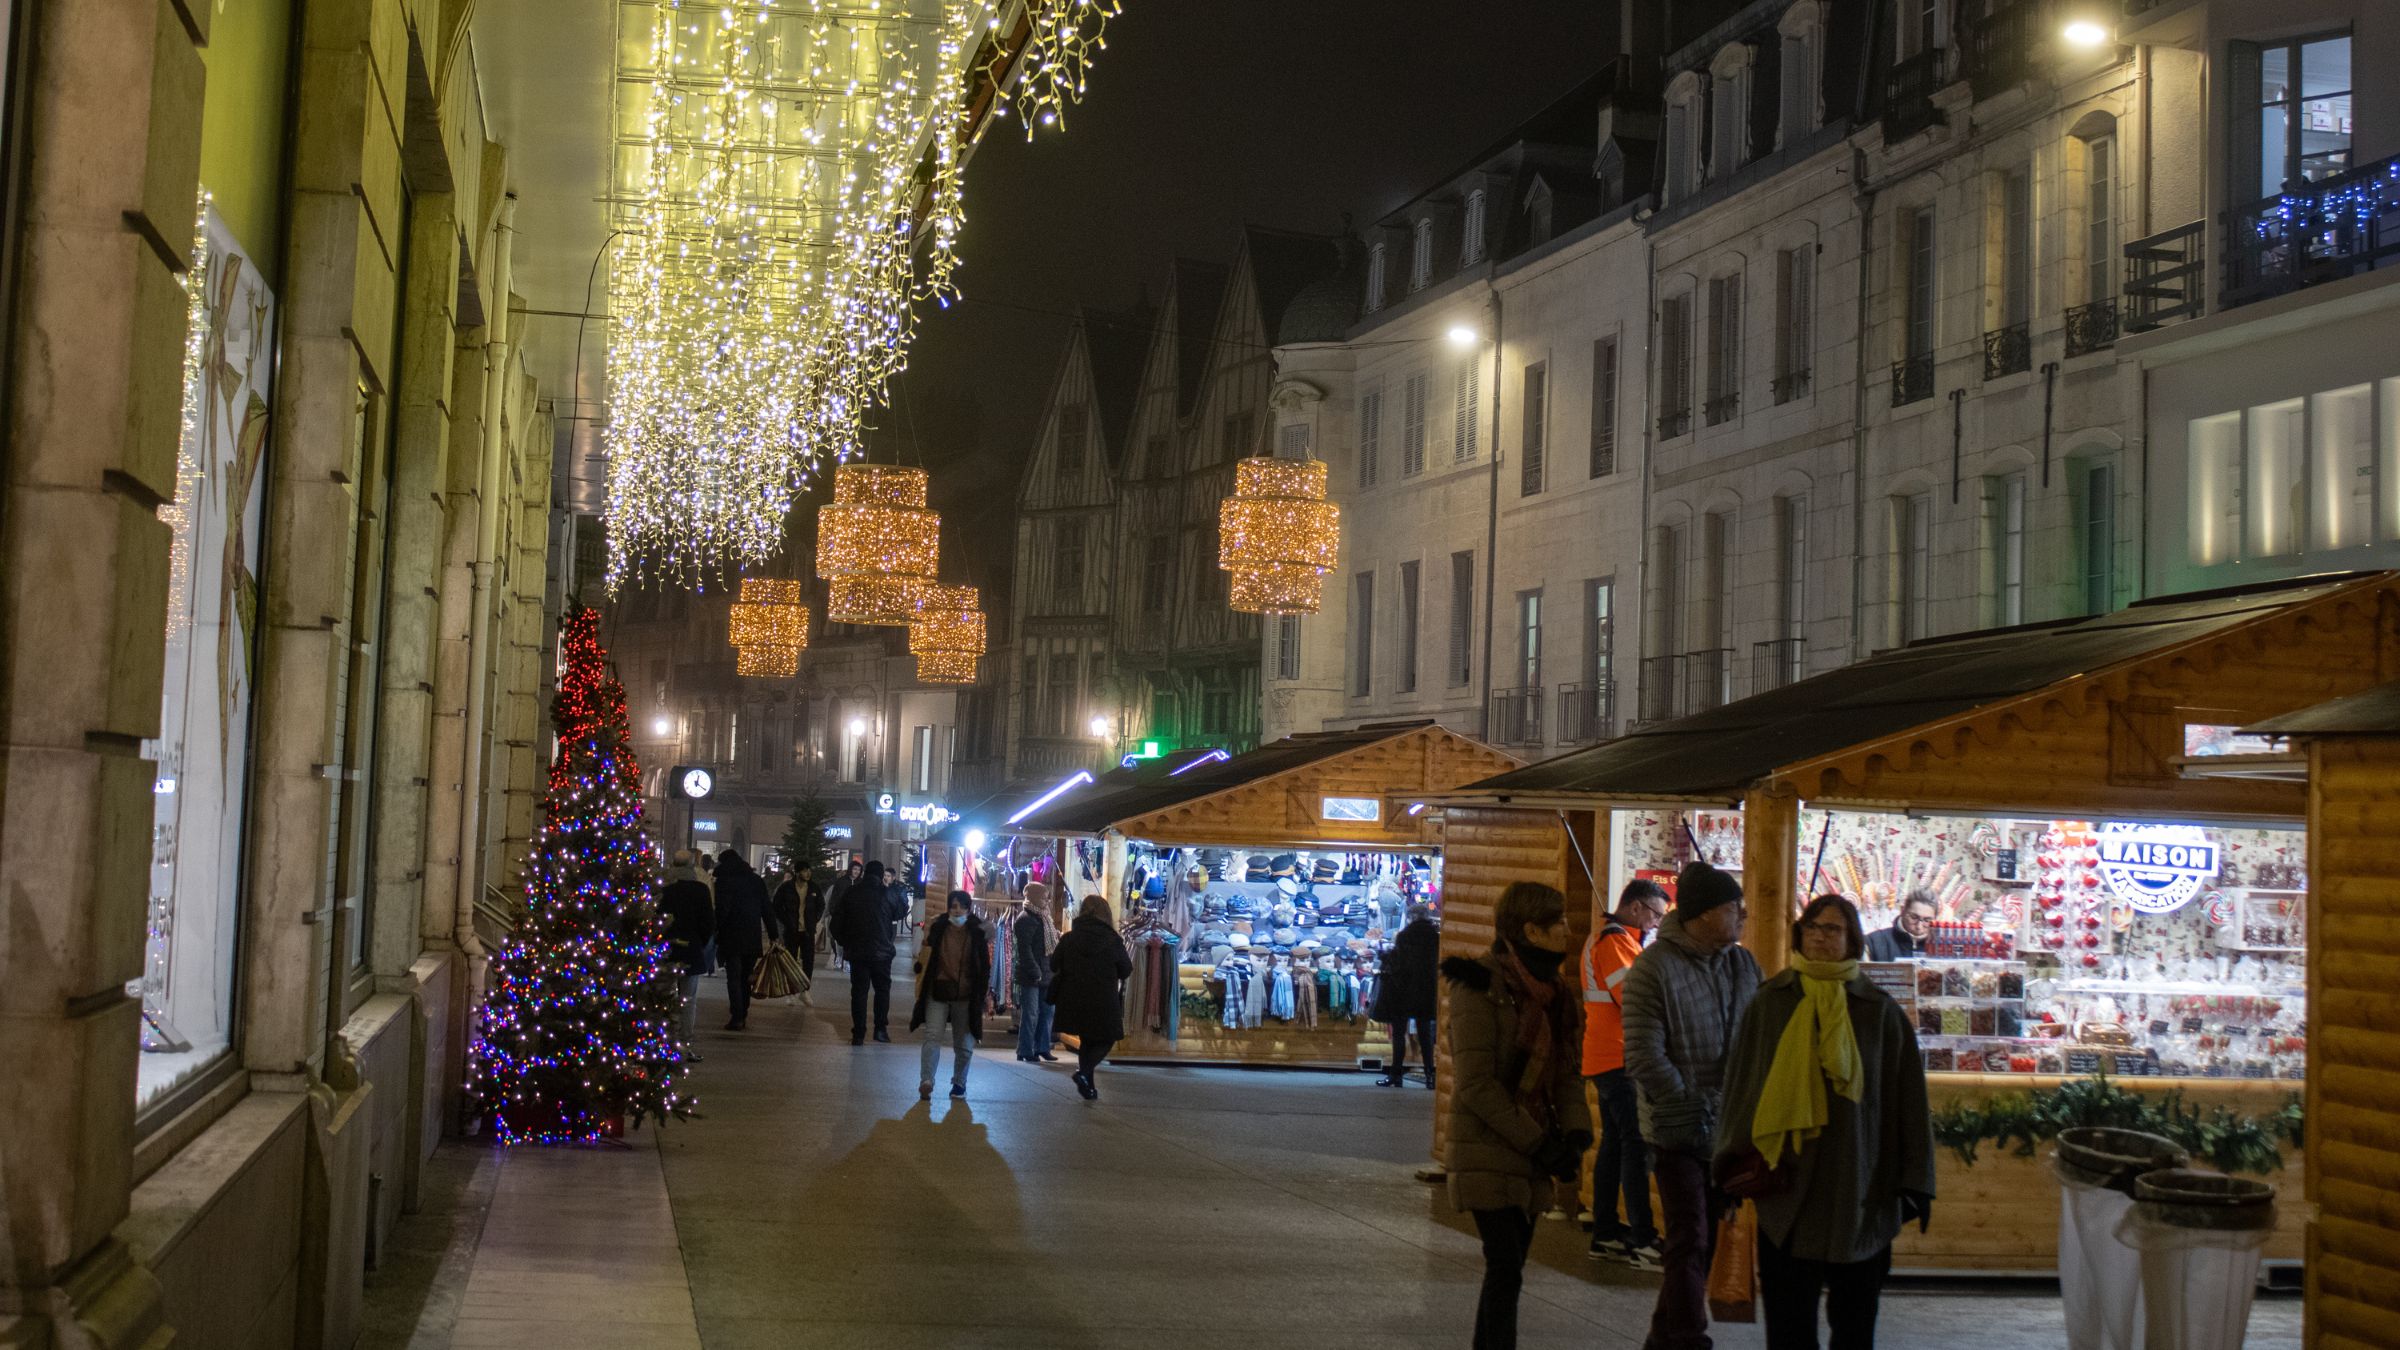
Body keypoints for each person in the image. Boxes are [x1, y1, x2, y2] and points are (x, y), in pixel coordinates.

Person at [1715, 895, 1934, 1350]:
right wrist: (1725, 1164)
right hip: (1788, 1190)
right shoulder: (1771, 1002)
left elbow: (1907, 1103)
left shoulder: (1880, 1012)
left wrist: (1914, 1180)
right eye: (1812, 926)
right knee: (1789, 1326)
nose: (1819, 935)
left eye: (1832, 929)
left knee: (1855, 1326)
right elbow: (1742, 1086)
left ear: (1852, 939)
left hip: (1860, 1188)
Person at [1438, 881, 1592, 1350]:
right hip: (1485, 1146)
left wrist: (1576, 1133)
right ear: (1531, 930)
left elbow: (1564, 1072)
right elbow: (1476, 1085)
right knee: (1505, 1266)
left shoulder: (1557, 994)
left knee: (1509, 1272)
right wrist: (1539, 1143)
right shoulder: (1479, 987)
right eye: (1559, 923)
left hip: (1530, 1151)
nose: (1569, 930)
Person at [1620, 860, 1763, 1350]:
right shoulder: (1653, 968)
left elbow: (1761, 1040)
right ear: (1702, 915)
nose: (1742, 916)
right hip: (1676, 1129)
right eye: (1732, 908)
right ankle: (1687, 1339)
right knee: (1689, 1238)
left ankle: (1663, 1337)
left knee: (1702, 1244)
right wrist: (1689, 1103)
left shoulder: (1745, 965)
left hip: (1733, 1130)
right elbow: (1642, 1053)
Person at [1584, 878, 1670, 1267]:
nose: (1655, 923)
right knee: (1635, 1144)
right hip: (1618, 1056)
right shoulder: (1616, 942)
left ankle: (1605, 1232)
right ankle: (1642, 1238)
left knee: (1617, 1144)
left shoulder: (1612, 938)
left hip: (1608, 1056)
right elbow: (1632, 998)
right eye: (1655, 914)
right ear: (1635, 907)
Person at [1046, 895, 1132, 1100]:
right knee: (1107, 1039)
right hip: (1103, 998)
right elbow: (1126, 969)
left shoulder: (1069, 938)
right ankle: (1083, 1074)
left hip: (1073, 998)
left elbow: (1053, 965)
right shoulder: (1112, 940)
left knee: (1087, 1040)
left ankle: (1089, 1087)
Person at [910, 890, 992, 1100]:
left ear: (969, 908)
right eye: (953, 906)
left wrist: (983, 994)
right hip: (937, 991)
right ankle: (926, 1081)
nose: (957, 911)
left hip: (966, 995)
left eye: (962, 906)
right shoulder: (938, 928)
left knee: (964, 1045)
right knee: (931, 1037)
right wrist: (928, 932)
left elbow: (984, 964)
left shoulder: (977, 931)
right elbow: (925, 955)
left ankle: (959, 1083)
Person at [1371, 902, 1440, 1087]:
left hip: (1403, 991)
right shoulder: (1436, 937)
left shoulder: (1405, 936)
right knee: (1425, 1035)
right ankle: (1430, 1076)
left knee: (1399, 1034)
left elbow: (1399, 964)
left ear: (1410, 918)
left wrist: (1384, 955)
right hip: (1426, 991)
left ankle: (1396, 1075)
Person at [831, 859, 900, 1044]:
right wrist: (889, 887)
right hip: (882, 953)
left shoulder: (852, 893)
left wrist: (846, 943)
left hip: (858, 952)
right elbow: (901, 910)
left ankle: (859, 1033)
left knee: (859, 992)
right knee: (882, 991)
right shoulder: (886, 893)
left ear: (864, 873)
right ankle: (880, 1030)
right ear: (880, 875)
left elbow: (835, 923)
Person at [657, 850, 716, 1059]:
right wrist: (700, 941)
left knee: (663, 996)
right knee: (688, 999)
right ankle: (684, 1044)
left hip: (665, 950)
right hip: (691, 949)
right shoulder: (700, 890)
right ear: (692, 866)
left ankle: (662, 1042)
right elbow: (708, 922)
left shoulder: (663, 889)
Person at [711, 850, 773, 1032]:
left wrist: (716, 930)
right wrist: (773, 933)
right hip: (751, 936)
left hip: (731, 935)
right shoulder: (755, 881)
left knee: (733, 977)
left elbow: (722, 909)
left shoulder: (724, 881)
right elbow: (766, 908)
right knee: (745, 977)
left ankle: (737, 1015)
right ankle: (743, 1012)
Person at [1012, 882, 1058, 1062]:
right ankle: (1025, 1050)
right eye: (1044, 896)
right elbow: (1025, 950)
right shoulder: (1025, 919)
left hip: (1046, 972)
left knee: (1047, 1012)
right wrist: (1034, 970)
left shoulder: (1045, 918)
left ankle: (1042, 1047)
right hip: (1031, 974)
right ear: (1035, 896)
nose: (1047, 900)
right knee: (1031, 1013)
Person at [770, 864, 814, 1006]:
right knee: (791, 961)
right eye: (804, 870)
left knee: (808, 961)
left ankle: (805, 990)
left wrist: (814, 919)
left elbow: (820, 904)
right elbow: (776, 906)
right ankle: (791, 992)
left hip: (807, 931)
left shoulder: (813, 887)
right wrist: (786, 921)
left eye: (809, 870)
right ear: (797, 872)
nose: (807, 873)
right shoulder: (786, 888)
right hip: (792, 930)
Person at [1864, 890, 1937, 963]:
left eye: (1927, 920)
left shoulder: (1942, 947)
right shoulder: (1872, 942)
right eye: (1913, 917)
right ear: (1902, 911)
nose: (1919, 926)